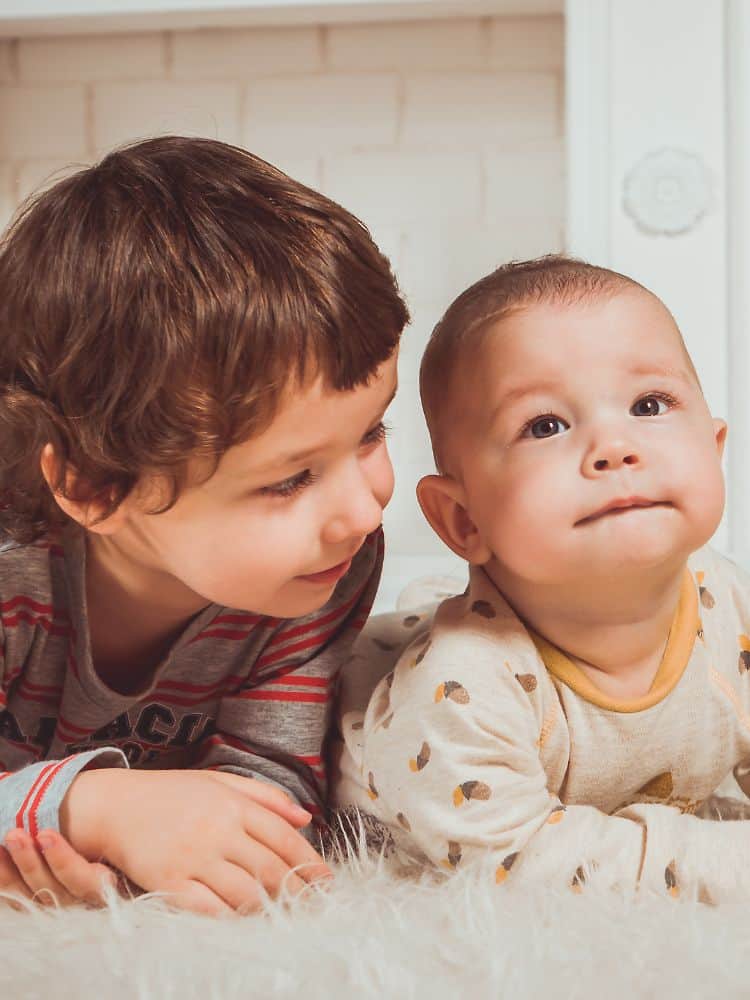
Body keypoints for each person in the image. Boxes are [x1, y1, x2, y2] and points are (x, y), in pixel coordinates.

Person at [0, 135, 407, 914]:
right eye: (291, 478)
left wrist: (156, 850)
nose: (363, 511)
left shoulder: (321, 567)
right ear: (93, 486)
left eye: (371, 435)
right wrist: (94, 811)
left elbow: (268, 796)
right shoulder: (15, 575)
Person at [333, 254, 750, 903]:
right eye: (545, 425)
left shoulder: (726, 600)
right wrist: (716, 860)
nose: (615, 447)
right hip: (377, 730)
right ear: (463, 519)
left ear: (715, 447)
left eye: (649, 403)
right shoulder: (458, 688)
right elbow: (515, 863)